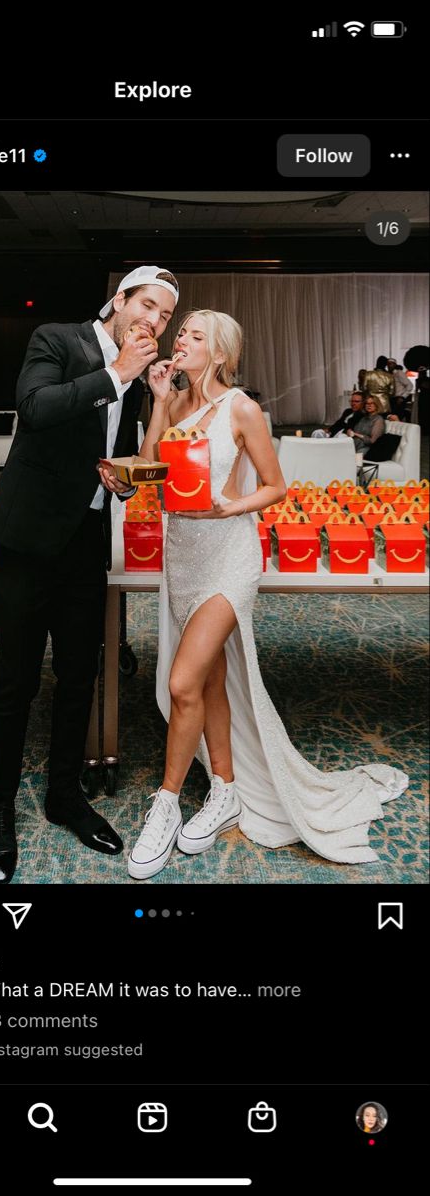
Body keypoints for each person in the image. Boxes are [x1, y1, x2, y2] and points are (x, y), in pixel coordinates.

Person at [128, 310, 408, 879]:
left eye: (194, 336)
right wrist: (157, 400)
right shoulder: (175, 403)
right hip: (181, 555)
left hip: (229, 556)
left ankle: (165, 803)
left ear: (221, 353)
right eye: (180, 332)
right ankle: (226, 790)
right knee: (207, 679)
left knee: (181, 682)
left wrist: (232, 505)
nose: (180, 340)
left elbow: (277, 486)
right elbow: (148, 469)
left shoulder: (241, 408)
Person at [0, 266, 179, 883]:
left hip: (86, 547)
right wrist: (117, 372)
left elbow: (114, 454)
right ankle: (0, 811)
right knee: (16, 681)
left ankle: (64, 795)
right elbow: (35, 410)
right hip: (26, 539)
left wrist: (123, 478)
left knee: (77, 678)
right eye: (147, 305)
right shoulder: (59, 340)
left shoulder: (142, 377)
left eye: (165, 316)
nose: (154, 321)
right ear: (119, 301)